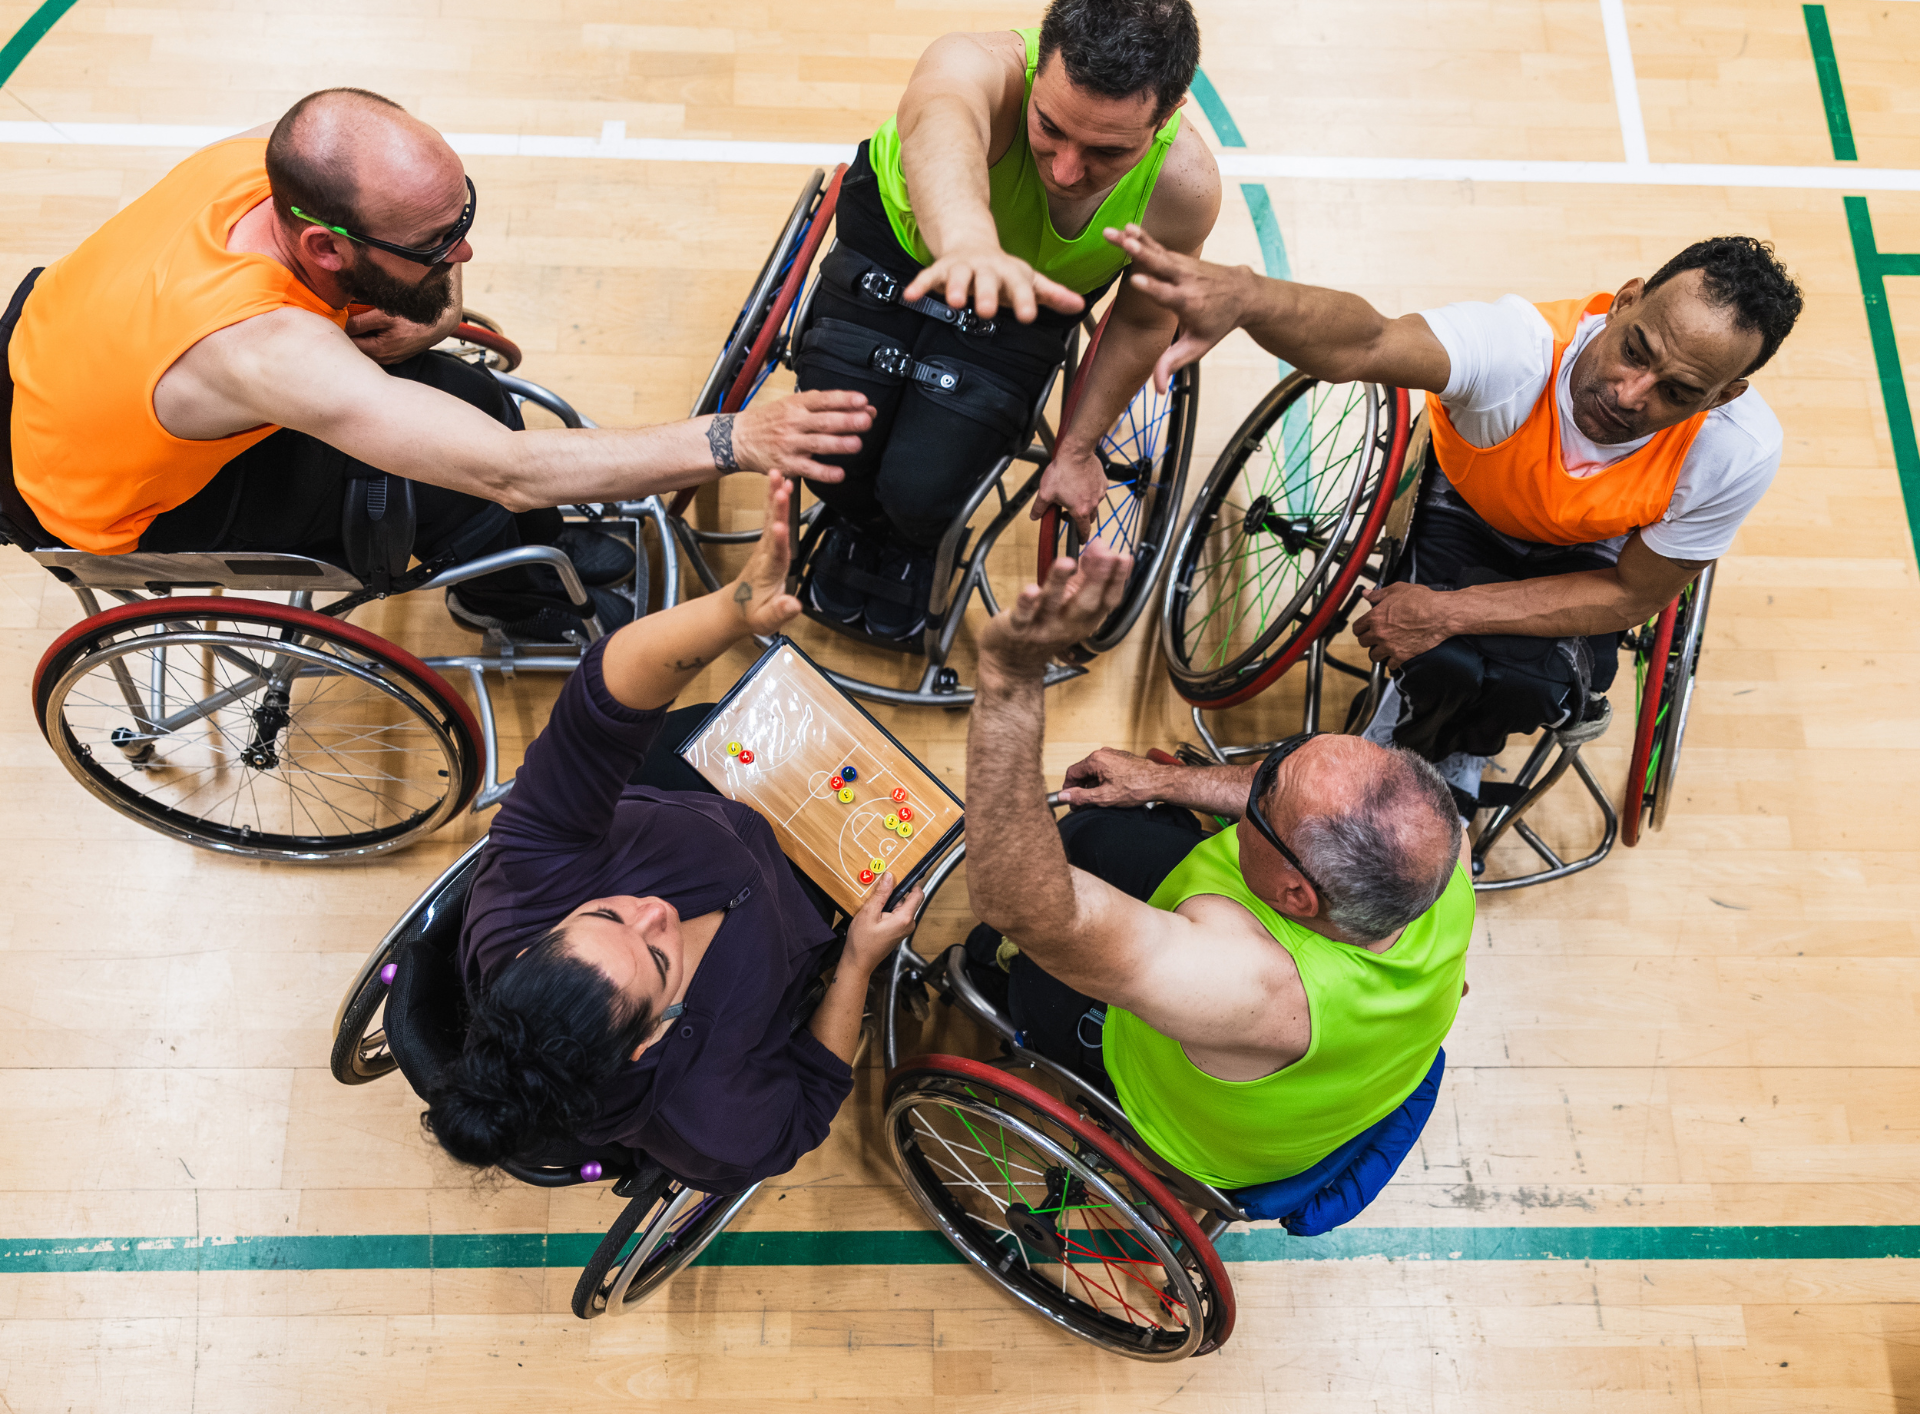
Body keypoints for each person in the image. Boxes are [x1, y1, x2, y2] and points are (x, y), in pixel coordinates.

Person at [3, 87, 873, 644]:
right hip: (110, 499)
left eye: (463, 216)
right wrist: (735, 438)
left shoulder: (273, 159)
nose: (466, 250)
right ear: (324, 244)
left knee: (466, 393)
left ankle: (533, 562)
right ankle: (513, 599)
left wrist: (437, 301)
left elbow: (428, 273)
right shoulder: (264, 348)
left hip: (53, 359)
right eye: (437, 244)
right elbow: (514, 472)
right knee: (459, 478)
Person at [1107, 225, 1804, 811]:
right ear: (1625, 302)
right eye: (1635, 350)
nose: (1629, 394)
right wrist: (1250, 297)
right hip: (1467, 501)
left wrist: (1450, 611)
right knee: (1441, 664)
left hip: (1597, 549)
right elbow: (1367, 342)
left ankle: (1462, 752)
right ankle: (1409, 739)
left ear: (1723, 396)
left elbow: (1632, 594)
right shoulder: (1517, 350)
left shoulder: (1737, 450)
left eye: (1678, 391)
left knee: (1534, 686)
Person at [427, 472, 921, 1190]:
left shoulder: (529, 879)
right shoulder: (714, 1124)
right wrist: (857, 966)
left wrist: (731, 611)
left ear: (538, 937)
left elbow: (599, 704)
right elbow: (809, 1104)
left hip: (696, 781)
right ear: (652, 1040)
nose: (654, 911)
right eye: (659, 961)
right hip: (813, 898)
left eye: (606, 912)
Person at [962, 544, 1473, 1194]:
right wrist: (1157, 781)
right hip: (1341, 1073)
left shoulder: (1246, 984)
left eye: (1263, 799)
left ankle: (999, 978)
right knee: (1099, 832)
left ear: (1294, 893)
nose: (1255, 779)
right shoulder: (1433, 849)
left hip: (1173, 1122)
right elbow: (1294, 798)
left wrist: (1009, 682)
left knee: (1027, 961)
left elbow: (1026, 909)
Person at [791, 0, 1221, 640]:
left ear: (1168, 112)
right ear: (1038, 59)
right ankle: (852, 520)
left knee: (922, 494)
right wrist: (968, 244)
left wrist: (1079, 447)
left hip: (1028, 302)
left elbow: (1141, 321)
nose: (1066, 169)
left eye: (1106, 150)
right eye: (1049, 127)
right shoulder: (974, 63)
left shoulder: (1185, 186)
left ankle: (906, 539)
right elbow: (940, 120)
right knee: (831, 461)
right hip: (899, 248)